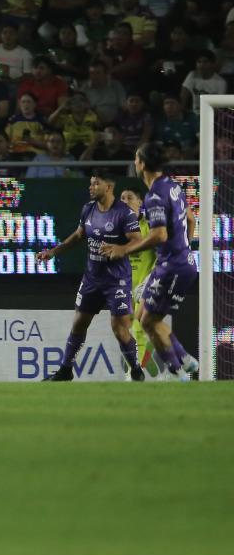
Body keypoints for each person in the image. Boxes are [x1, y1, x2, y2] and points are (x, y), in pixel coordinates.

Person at [34, 171, 144, 382]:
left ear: (109, 187)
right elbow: (78, 235)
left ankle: (136, 370)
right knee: (78, 323)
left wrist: (120, 248)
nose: (91, 187)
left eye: (96, 183)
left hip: (117, 280)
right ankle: (66, 370)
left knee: (119, 329)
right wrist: (53, 252)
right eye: (91, 183)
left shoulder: (124, 213)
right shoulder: (88, 209)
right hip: (92, 278)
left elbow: (138, 241)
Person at [101, 145, 198, 380]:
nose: (134, 163)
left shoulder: (154, 196)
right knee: (145, 316)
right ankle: (186, 361)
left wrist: (124, 249)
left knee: (149, 322)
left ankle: (178, 372)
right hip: (178, 262)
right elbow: (191, 218)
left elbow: (160, 235)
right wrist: (184, 247)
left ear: (142, 164)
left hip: (172, 266)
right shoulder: (172, 186)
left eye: (135, 159)